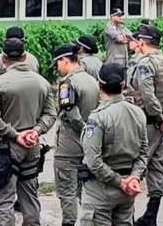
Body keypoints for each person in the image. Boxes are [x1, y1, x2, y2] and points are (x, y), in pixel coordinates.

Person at [0, 36, 56, 225]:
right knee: (30, 194)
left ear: (3, 59)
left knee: (3, 197)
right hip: (33, 145)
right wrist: (36, 131)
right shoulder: (42, 83)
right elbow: (51, 113)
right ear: (24, 57)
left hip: (6, 146)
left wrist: (15, 135)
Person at [79, 63, 148, 226]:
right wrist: (134, 177)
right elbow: (144, 153)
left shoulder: (98, 117)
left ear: (99, 84)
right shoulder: (138, 112)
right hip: (128, 189)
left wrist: (119, 182)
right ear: (123, 85)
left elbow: (94, 162)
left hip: (101, 190)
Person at [126, 26, 163, 226]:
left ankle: (126, 215)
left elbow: (147, 94)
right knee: (157, 167)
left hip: (148, 122)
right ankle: (151, 215)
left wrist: (158, 116)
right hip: (162, 123)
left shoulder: (146, 64)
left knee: (136, 165)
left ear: (142, 42)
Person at [52, 44, 100, 226]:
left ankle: (69, 222)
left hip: (69, 146)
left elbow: (71, 114)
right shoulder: (91, 80)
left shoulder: (68, 83)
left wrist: (84, 131)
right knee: (87, 190)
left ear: (65, 60)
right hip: (88, 147)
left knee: (67, 191)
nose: (57, 67)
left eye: (58, 63)